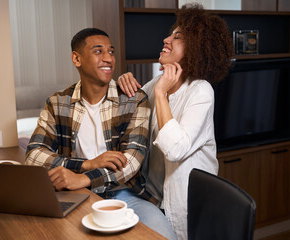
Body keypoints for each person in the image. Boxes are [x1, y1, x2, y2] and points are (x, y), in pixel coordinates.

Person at [25, 28, 177, 239]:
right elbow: (33, 156)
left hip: (125, 194)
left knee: (165, 236)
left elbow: (132, 161)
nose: (108, 58)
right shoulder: (57, 103)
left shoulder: (134, 99)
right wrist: (87, 165)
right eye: (98, 51)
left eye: (111, 52)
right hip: (76, 194)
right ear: (76, 59)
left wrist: (84, 178)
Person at [117, 3, 233, 240]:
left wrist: (161, 94)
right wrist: (122, 83)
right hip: (151, 199)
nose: (166, 39)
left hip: (187, 205)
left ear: (195, 49)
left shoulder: (200, 91)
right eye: (171, 33)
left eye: (177, 37)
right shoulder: (153, 86)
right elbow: (123, 120)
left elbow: (176, 149)